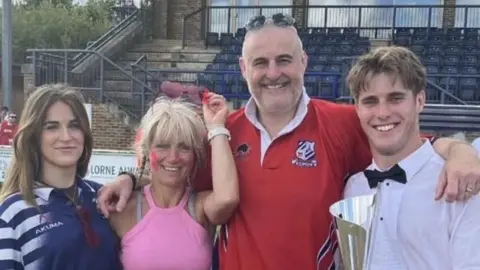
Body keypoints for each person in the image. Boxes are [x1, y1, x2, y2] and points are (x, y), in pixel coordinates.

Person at [97, 13, 480, 270]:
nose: (273, 73)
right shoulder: (220, 135)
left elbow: (410, 143)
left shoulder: (341, 123)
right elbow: (172, 175)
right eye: (261, 63)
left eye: (284, 60)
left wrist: (460, 151)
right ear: (244, 69)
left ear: (303, 63)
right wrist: (131, 179)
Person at [343, 46, 480, 269]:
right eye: (370, 101)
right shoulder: (353, 188)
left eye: (395, 98)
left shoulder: (461, 182)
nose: (383, 113)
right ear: (357, 108)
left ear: (419, 101)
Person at [109, 95, 238, 270]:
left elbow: (227, 199)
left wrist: (216, 128)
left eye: (184, 148)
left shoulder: (200, 208)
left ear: (195, 156)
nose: (173, 158)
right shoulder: (124, 209)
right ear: (147, 151)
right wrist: (129, 178)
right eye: (162, 146)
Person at [0, 84, 122, 270]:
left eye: (74, 126)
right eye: (52, 127)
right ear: (34, 136)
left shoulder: (103, 197)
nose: (66, 137)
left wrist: (131, 178)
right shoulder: (13, 213)